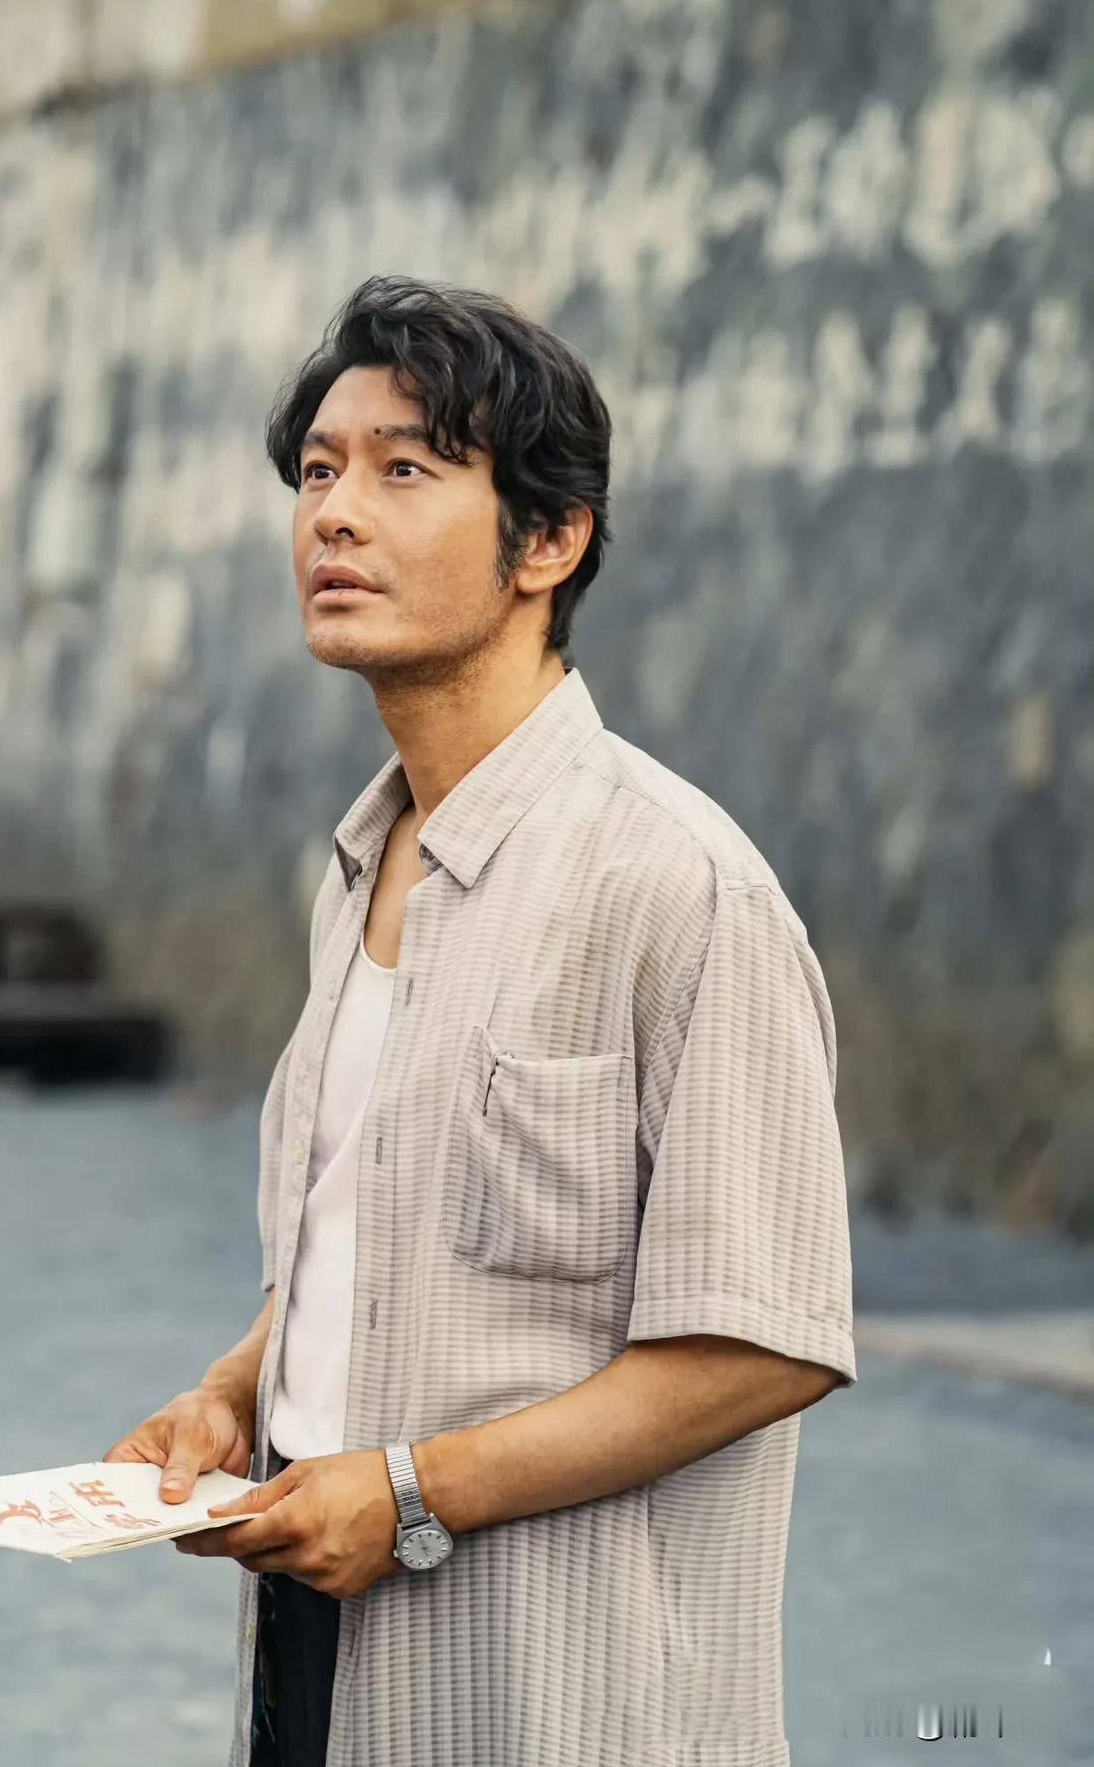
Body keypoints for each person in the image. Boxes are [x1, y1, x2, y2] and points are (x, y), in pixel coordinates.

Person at [103, 273, 858, 1767]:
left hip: (563, 1698)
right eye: (319, 471)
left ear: (550, 540)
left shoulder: (681, 889)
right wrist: (235, 1390)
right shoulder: (359, 867)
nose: (335, 513)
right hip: (310, 1657)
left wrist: (413, 1493)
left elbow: (765, 1343)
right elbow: (374, 1222)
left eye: (405, 471)